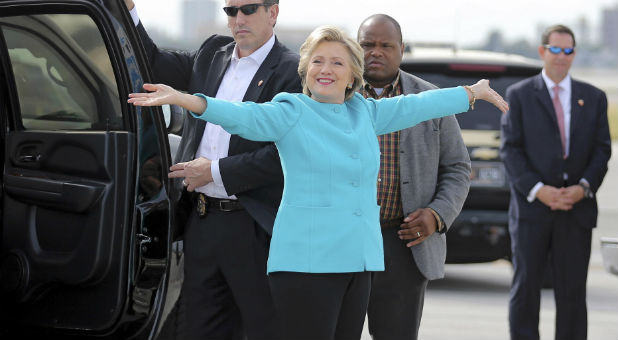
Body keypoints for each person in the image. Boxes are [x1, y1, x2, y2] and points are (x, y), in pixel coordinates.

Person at [129, 25, 507, 340]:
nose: (326, 69)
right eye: (318, 61)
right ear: (306, 69)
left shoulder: (364, 111)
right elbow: (240, 114)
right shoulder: (292, 111)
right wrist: (184, 99)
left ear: (352, 74)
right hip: (307, 265)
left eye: (337, 62)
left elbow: (416, 106)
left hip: (358, 261)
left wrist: (471, 93)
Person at [123, 0, 302, 338]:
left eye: (248, 9)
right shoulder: (212, 53)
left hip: (255, 226)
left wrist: (216, 172)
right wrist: (129, 10)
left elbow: (285, 155)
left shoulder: (293, 71)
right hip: (203, 221)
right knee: (202, 330)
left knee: (267, 330)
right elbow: (152, 62)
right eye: (230, 11)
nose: (238, 19)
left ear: (273, 12)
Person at [357, 14, 471, 340]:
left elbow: (458, 168)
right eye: (367, 44)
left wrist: (437, 215)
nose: (375, 52)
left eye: (385, 45)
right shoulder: (334, 96)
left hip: (404, 244)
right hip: (343, 241)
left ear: (402, 49)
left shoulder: (432, 101)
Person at [500, 24, 611, 340]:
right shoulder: (519, 95)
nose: (561, 57)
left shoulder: (594, 98)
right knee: (526, 289)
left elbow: (602, 150)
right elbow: (510, 149)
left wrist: (583, 187)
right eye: (555, 50)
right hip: (533, 210)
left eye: (568, 51)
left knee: (573, 293)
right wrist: (539, 190)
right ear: (542, 52)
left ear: (574, 54)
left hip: (576, 211)